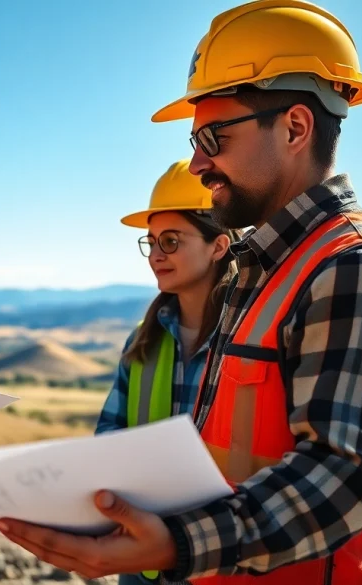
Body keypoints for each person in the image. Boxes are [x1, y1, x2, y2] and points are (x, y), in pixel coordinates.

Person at [0, 1, 362, 583]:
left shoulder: (360, 269)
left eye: (213, 137)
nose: (197, 163)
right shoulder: (264, 270)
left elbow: (343, 477)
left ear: (295, 127)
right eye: (195, 140)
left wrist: (177, 543)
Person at [96, 160, 240, 585]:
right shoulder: (144, 340)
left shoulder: (252, 339)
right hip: (143, 563)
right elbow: (110, 436)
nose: (157, 255)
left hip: (227, 557)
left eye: (172, 241)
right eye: (152, 241)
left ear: (219, 245)